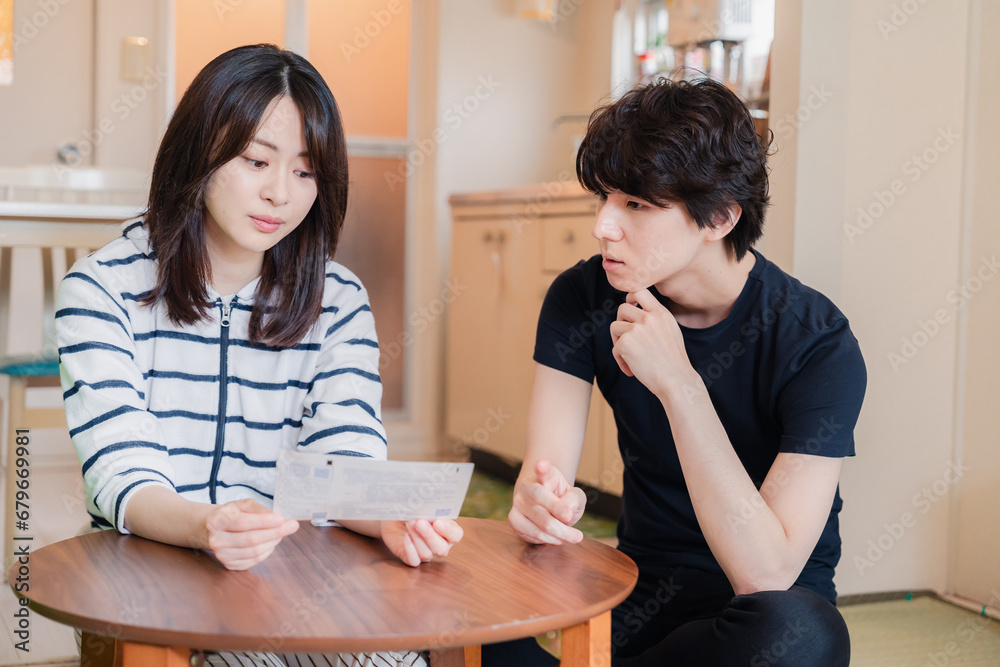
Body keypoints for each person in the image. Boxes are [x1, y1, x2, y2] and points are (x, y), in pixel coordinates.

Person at [55, 44, 461, 667]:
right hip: (151, 569)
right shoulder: (100, 289)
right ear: (199, 151)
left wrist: (385, 516)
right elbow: (122, 474)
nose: (280, 194)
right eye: (256, 161)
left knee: (391, 656)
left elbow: (344, 453)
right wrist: (205, 525)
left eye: (305, 172)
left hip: (289, 575)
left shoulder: (337, 298)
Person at [484, 77, 866, 666]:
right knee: (442, 591)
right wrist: (538, 506)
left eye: (636, 205)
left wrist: (680, 384)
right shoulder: (582, 297)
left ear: (720, 217)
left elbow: (765, 573)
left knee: (805, 635)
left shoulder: (816, 342)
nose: (603, 226)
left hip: (760, 622)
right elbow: (544, 474)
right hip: (640, 604)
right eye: (604, 198)